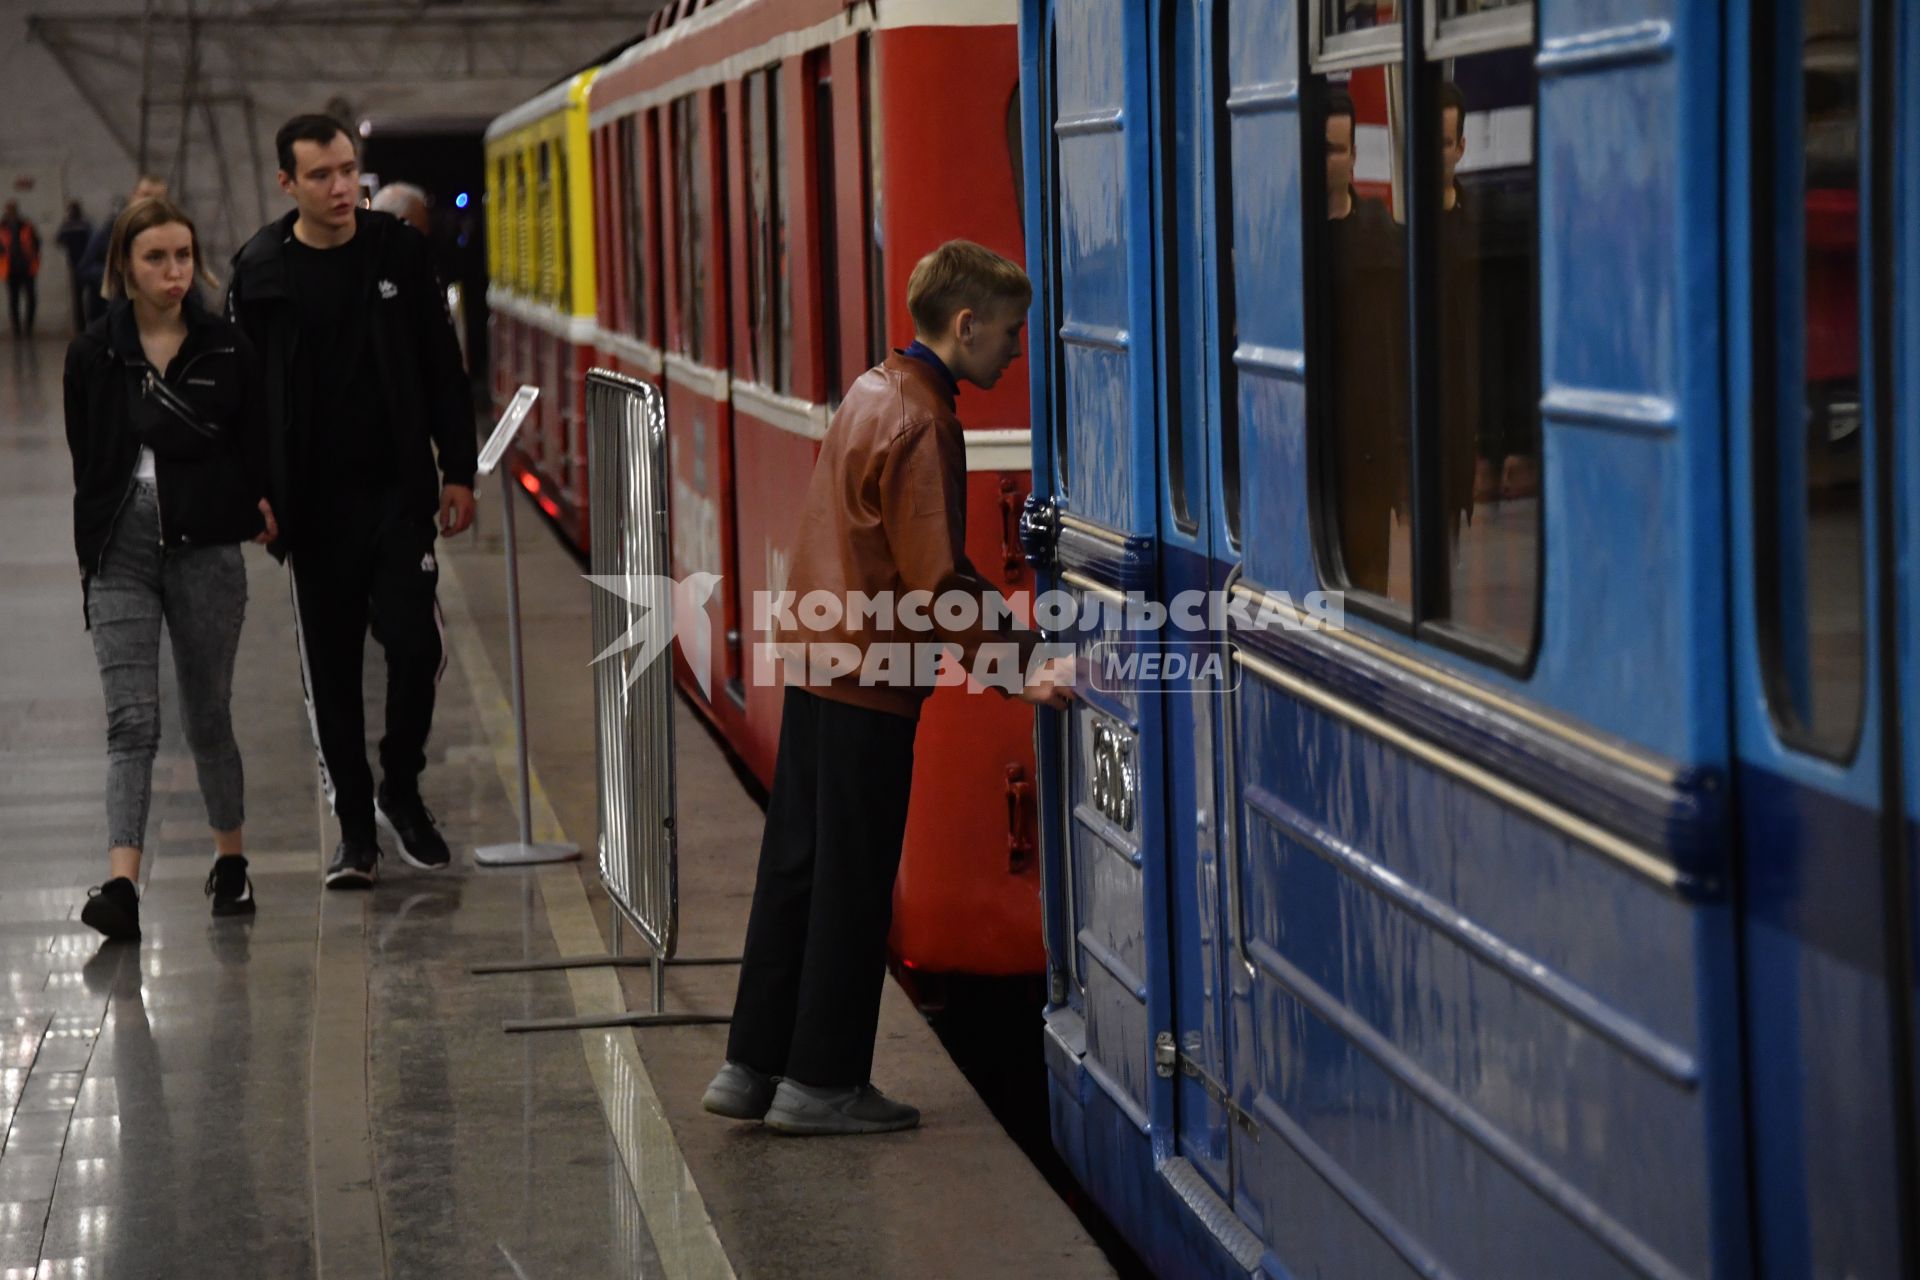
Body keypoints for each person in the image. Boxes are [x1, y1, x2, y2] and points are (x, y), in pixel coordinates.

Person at [703, 239, 1076, 1136]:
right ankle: (823, 1083)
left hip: (820, 660)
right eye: (1011, 334)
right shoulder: (927, 422)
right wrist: (1021, 670)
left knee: (796, 865)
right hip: (874, 676)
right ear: (965, 325)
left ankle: (751, 1067)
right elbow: (937, 580)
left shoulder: (873, 389)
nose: (1018, 351)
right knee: (856, 877)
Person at [226, 115, 477, 889]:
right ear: (287, 184)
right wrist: (254, 497)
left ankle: (401, 783)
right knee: (330, 673)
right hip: (312, 510)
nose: (341, 188)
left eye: (348, 171)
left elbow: (442, 364)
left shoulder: (398, 250)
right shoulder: (261, 271)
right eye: (322, 176)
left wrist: (457, 468)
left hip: (396, 495)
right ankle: (355, 832)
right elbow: (244, 400)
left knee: (417, 644)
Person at [63, 197, 277, 942]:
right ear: (124, 265)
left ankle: (231, 860)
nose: (173, 272)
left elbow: (252, 448)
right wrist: (93, 548)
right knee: (132, 723)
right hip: (119, 550)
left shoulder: (225, 350)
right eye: (156, 258)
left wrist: (254, 504)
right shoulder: (93, 353)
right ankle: (122, 884)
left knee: (208, 715)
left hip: (206, 549)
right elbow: (88, 458)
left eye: (183, 255)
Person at [79, 175, 169, 325]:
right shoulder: (112, 229)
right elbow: (85, 269)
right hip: (113, 320)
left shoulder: (171, 233)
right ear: (134, 195)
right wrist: (121, 275)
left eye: (158, 197)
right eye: (146, 195)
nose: (150, 202)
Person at [2, 201, 42, 337]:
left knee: (31, 298)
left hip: (27, 268)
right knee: (14, 300)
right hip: (10, 269)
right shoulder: (2, 228)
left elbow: (36, 243)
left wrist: (34, 259)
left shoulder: (26, 226)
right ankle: (17, 330)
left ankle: (28, 328)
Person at [56, 202, 92, 333]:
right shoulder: (85, 225)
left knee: (77, 298)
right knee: (91, 296)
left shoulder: (67, 226)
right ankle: (90, 324)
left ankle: (80, 327)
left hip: (74, 265)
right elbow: (92, 240)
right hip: (87, 264)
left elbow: (58, 240)